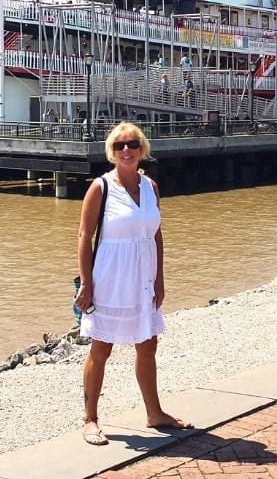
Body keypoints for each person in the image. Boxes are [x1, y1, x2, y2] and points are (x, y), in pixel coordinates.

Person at [74, 122, 191, 446]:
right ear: (112, 151)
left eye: (133, 144)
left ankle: (155, 413)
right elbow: (84, 237)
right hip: (110, 277)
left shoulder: (151, 186)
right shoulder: (101, 187)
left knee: (148, 345)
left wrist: (160, 279)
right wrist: (86, 283)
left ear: (142, 149)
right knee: (102, 348)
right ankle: (90, 419)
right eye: (120, 145)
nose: (127, 150)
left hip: (143, 277)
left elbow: (155, 233)